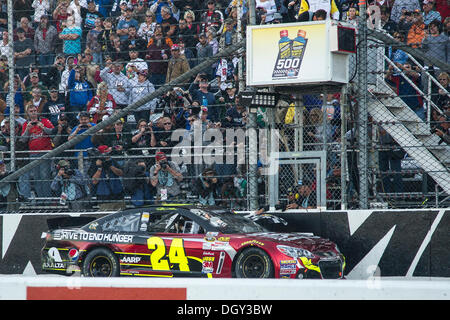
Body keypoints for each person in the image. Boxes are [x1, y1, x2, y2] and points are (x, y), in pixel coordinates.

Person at [19, 103, 54, 200]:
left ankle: (47, 199)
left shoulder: (44, 120)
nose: (33, 113)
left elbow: (52, 132)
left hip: (45, 151)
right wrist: (27, 129)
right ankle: (40, 200)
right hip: (33, 153)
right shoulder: (26, 124)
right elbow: (23, 140)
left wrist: (42, 127)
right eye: (31, 112)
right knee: (36, 177)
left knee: (45, 176)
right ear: (28, 114)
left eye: (35, 111)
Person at [88, 144, 125, 211]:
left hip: (117, 194)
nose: (108, 151)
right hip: (104, 196)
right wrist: (99, 168)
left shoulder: (112, 160)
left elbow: (121, 173)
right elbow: (94, 181)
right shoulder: (95, 163)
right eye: (105, 150)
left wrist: (110, 165)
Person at [378, 127, 404, 193]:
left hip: (393, 144)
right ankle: (386, 193)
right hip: (381, 145)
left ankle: (399, 193)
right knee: (383, 171)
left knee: (396, 171)